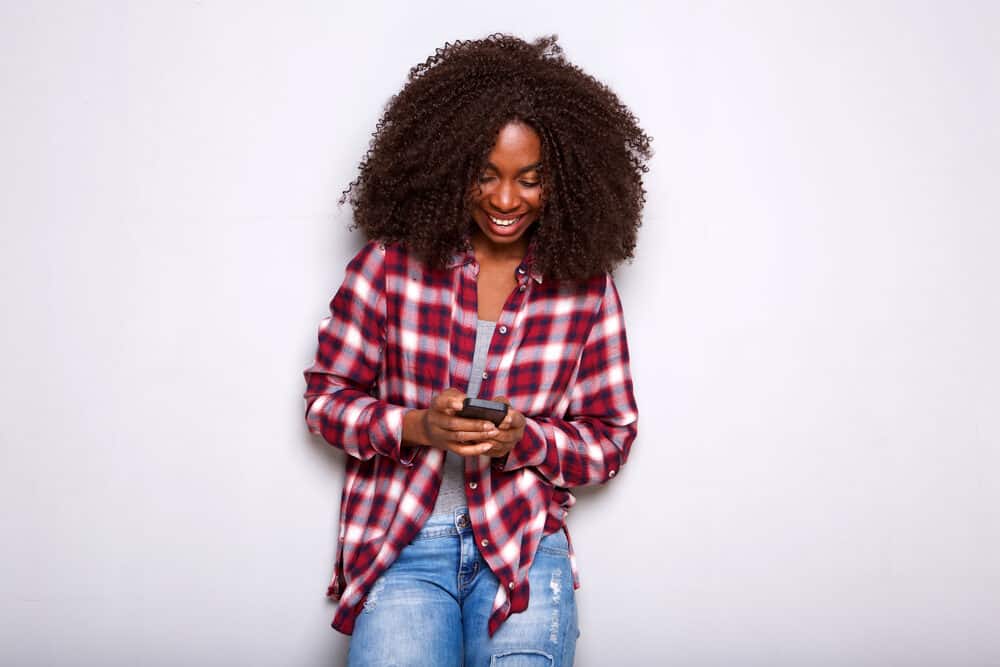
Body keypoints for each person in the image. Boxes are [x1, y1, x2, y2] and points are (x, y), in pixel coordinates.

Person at [303, 33, 652, 666]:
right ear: (450, 164)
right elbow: (326, 401)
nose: (504, 199)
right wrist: (417, 425)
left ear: (564, 180)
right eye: (485, 175)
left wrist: (527, 440)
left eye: (530, 180)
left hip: (522, 548)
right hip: (404, 544)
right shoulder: (389, 267)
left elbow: (611, 437)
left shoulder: (585, 291)